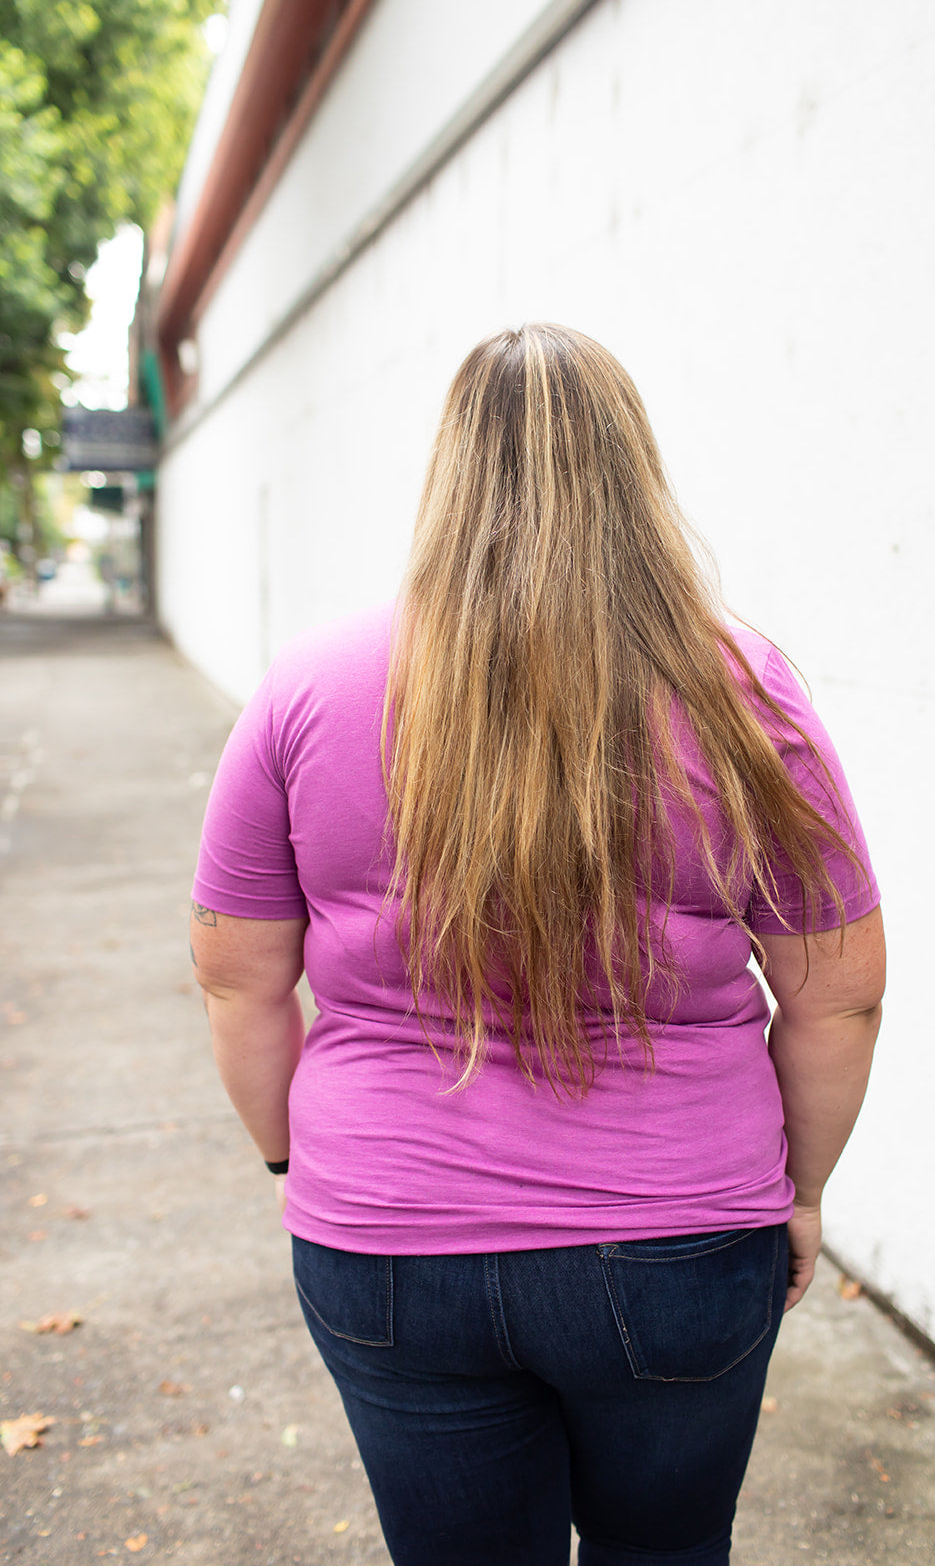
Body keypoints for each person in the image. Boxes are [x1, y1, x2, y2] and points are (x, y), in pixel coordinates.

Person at [190, 323, 884, 1566]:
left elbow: (236, 974)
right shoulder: (747, 691)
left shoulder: (305, 689)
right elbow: (836, 997)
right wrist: (802, 1188)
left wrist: (301, 1154)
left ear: (447, 473)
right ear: (632, 471)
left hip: (387, 1236)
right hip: (680, 1234)